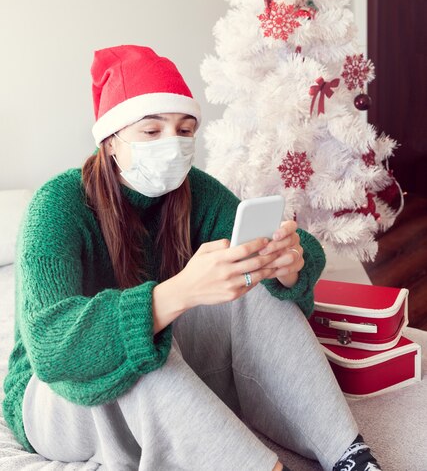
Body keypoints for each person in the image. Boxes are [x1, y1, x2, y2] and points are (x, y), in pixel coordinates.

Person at [2, 45, 382, 471]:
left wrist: (290, 262)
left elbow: (277, 249)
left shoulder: (193, 191)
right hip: (53, 394)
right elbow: (52, 349)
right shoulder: (56, 205)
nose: (173, 145)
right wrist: (176, 293)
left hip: (157, 357)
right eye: (151, 131)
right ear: (110, 141)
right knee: (140, 352)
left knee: (254, 287)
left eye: (185, 130)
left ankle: (349, 455)